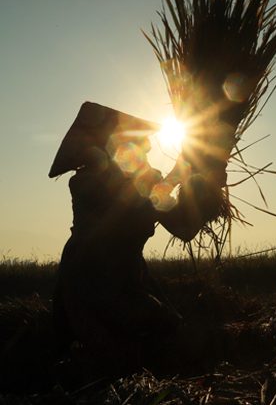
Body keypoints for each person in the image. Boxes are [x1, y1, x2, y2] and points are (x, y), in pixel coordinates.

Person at [50, 102, 225, 373]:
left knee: (171, 334)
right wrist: (177, 179)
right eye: (139, 143)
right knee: (139, 352)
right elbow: (136, 208)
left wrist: (201, 187)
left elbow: (182, 226)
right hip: (93, 280)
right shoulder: (88, 183)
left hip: (124, 277)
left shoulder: (140, 180)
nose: (148, 148)